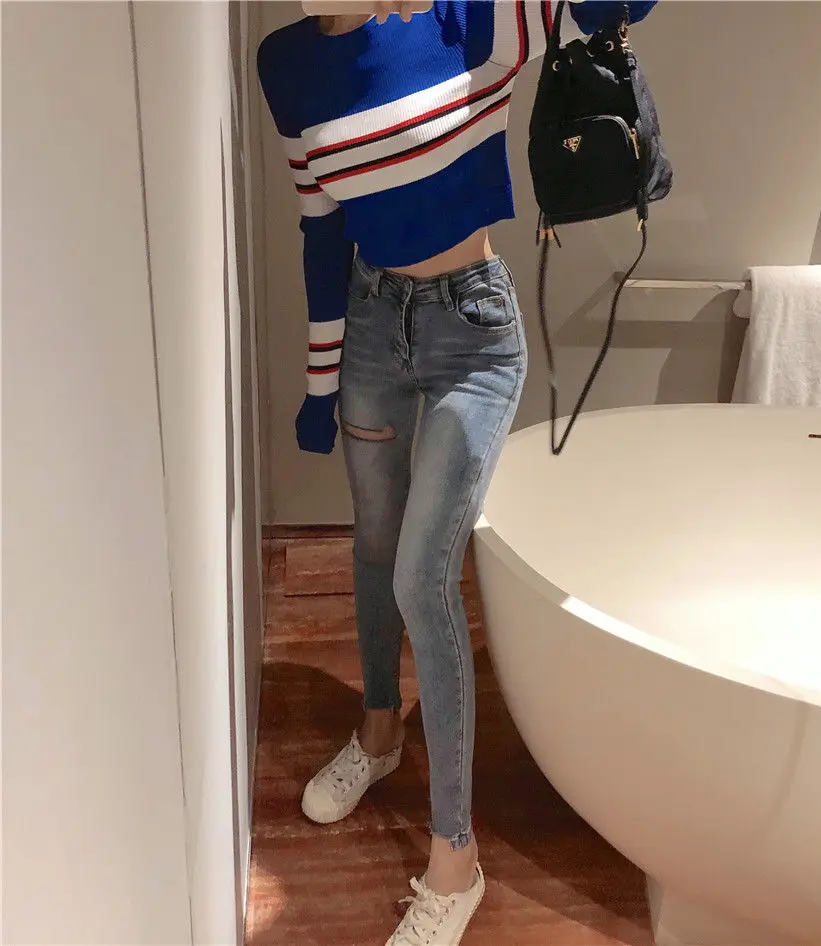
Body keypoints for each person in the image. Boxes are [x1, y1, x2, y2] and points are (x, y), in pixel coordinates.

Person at [256, 1, 657, 942]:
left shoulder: (474, 18)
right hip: (370, 328)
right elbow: (322, 231)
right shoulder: (286, 63)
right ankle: (380, 730)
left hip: (473, 336)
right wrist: (321, 383)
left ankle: (456, 857)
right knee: (373, 543)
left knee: (420, 575)